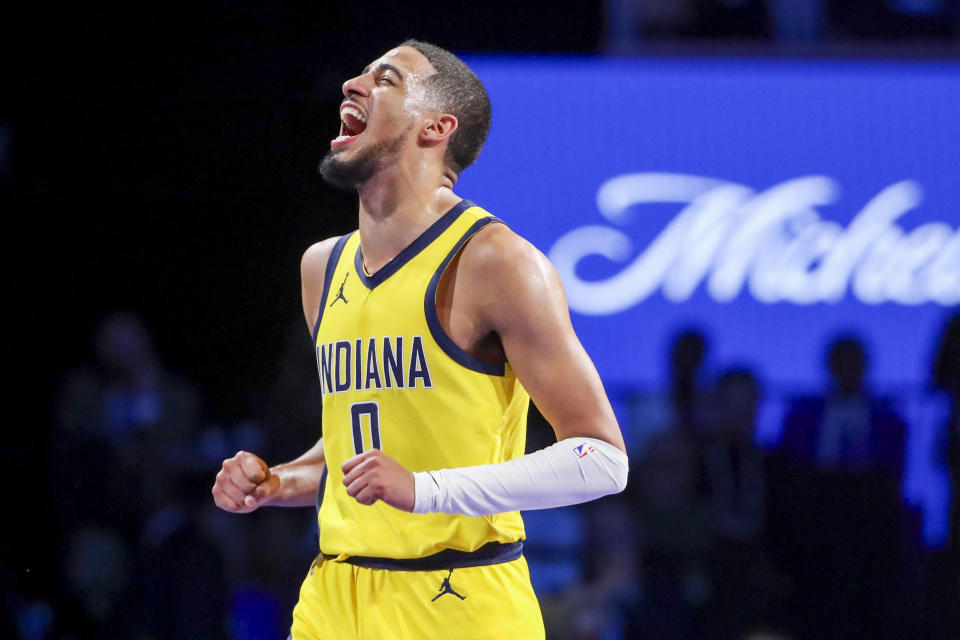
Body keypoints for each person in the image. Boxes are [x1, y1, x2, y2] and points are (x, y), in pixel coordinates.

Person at [210, 40, 628, 639]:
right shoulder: (321, 267)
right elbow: (360, 444)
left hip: (458, 596)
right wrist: (278, 482)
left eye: (384, 79)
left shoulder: (496, 261)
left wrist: (424, 490)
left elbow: (603, 460)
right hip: (333, 596)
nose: (352, 86)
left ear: (437, 126)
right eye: (356, 74)